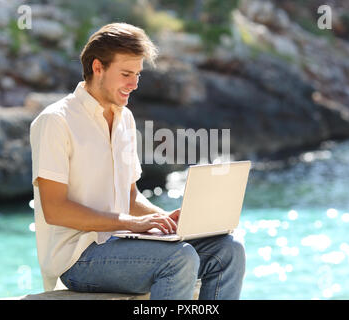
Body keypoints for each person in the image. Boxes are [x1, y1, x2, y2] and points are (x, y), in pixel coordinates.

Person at [30, 22, 245, 300]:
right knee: (178, 259)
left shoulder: (125, 119)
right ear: (98, 68)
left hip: (123, 244)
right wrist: (133, 224)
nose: (133, 84)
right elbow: (56, 210)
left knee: (228, 250)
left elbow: (129, 198)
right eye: (126, 74)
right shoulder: (55, 121)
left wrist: (164, 219)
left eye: (137, 75)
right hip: (77, 258)